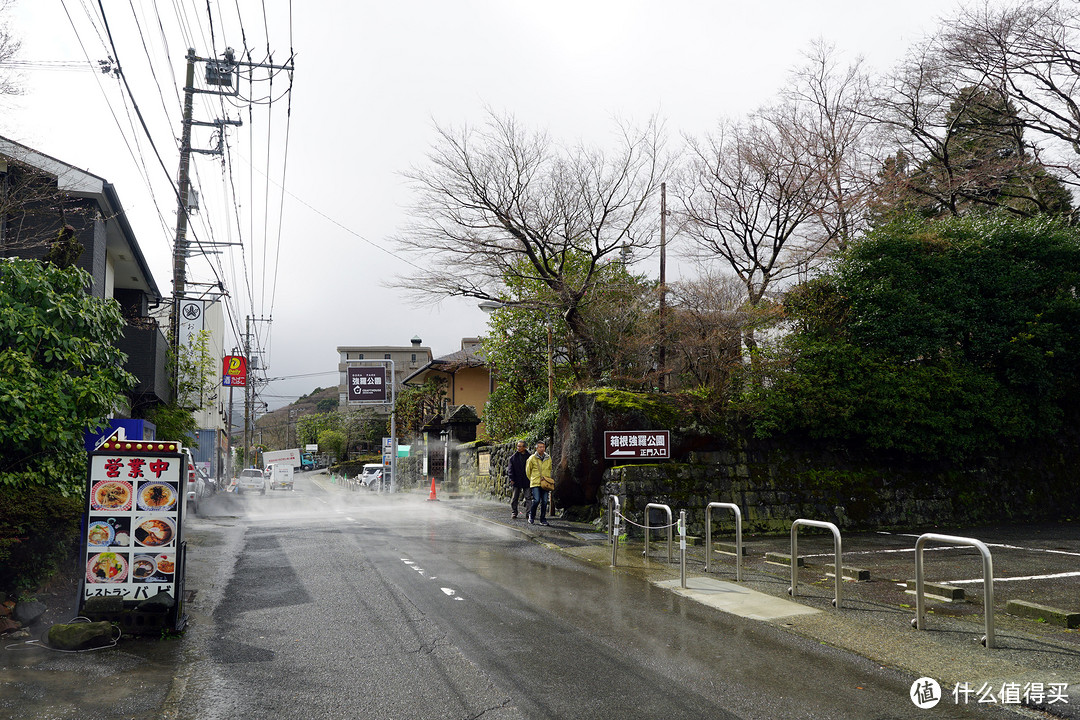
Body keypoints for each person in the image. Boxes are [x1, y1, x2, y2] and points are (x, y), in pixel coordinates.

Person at [525, 440, 553, 526]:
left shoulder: (548, 458)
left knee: (544, 501)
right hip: (535, 482)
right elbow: (527, 471)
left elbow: (550, 469)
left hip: (545, 483)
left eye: (543, 447)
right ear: (536, 448)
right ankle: (531, 516)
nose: (542, 449)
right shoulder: (532, 458)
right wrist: (533, 479)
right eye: (540, 447)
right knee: (536, 500)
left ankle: (543, 519)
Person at [507, 440, 530, 519]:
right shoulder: (513, 457)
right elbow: (510, 469)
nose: (518, 448)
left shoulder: (529, 456)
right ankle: (514, 512)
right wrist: (512, 478)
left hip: (527, 480)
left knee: (528, 497)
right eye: (517, 446)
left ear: (525, 447)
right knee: (514, 498)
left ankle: (528, 513)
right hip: (516, 480)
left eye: (520, 446)